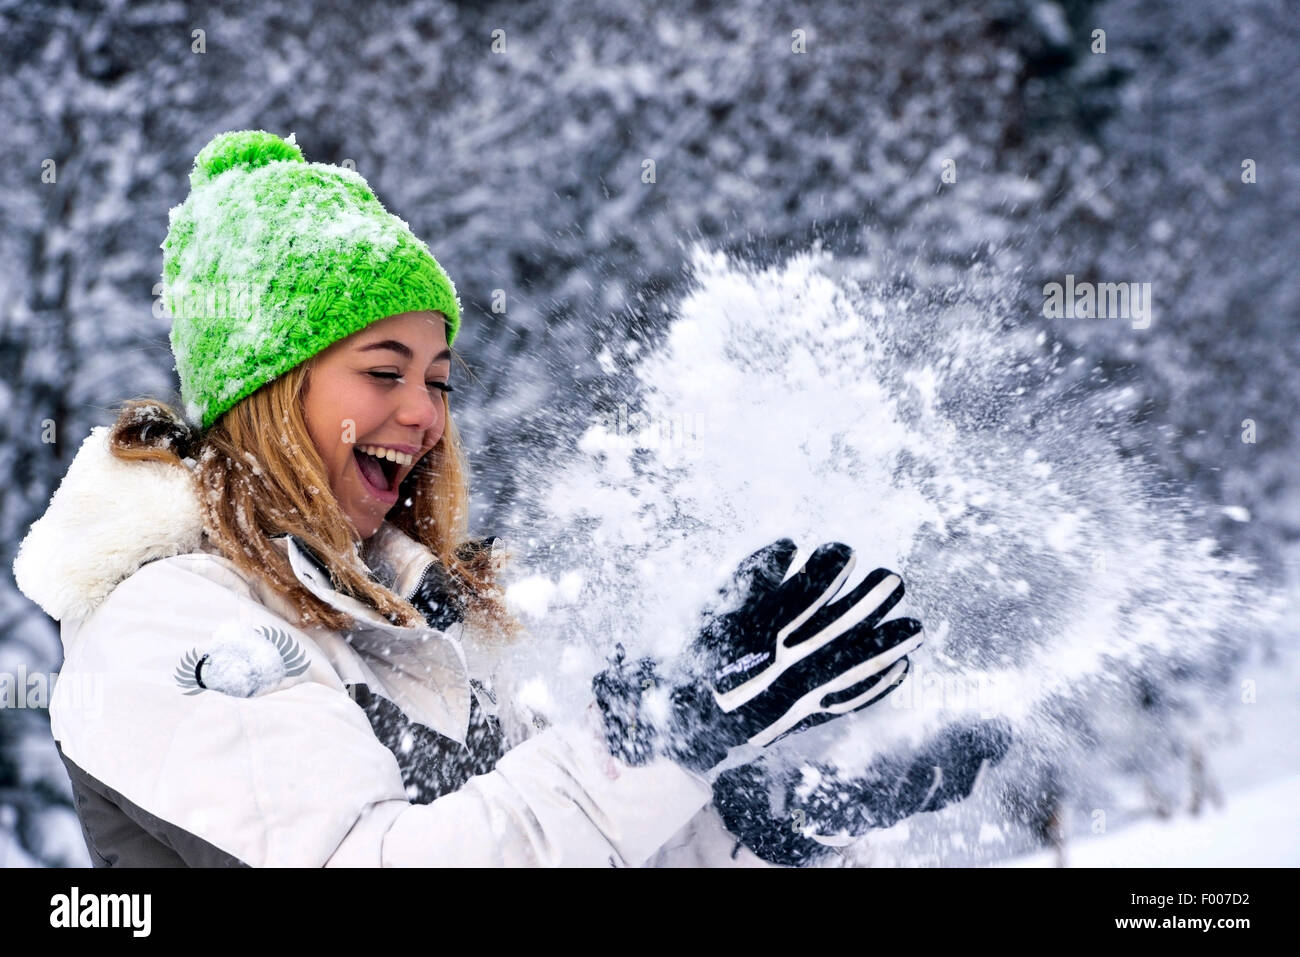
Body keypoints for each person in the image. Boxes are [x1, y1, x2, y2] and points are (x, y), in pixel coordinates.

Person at [12, 130, 1007, 868]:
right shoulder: (174, 623)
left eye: (439, 379)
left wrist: (750, 810)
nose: (424, 415)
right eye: (384, 371)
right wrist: (660, 734)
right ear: (270, 393)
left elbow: (563, 843)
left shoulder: (407, 626)